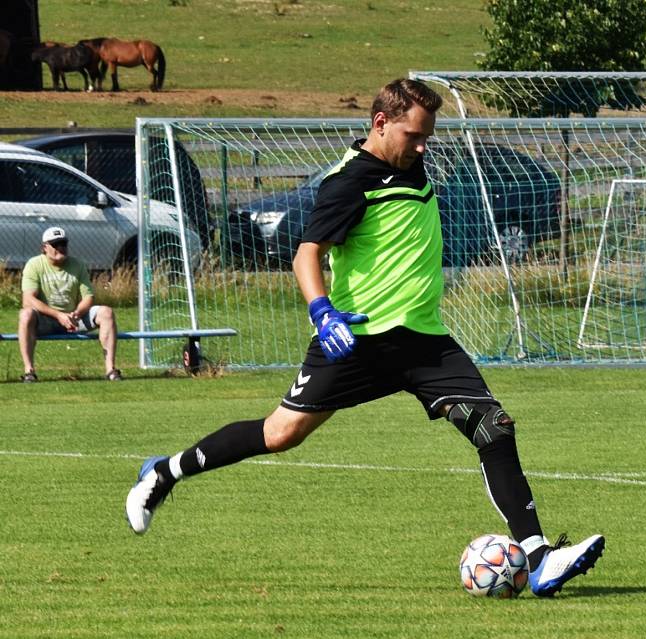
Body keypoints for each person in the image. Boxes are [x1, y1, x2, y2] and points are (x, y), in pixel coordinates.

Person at [125, 79, 604, 597]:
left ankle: (538, 559)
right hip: (361, 341)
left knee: (494, 427)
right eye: (414, 135)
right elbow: (306, 253)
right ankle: (165, 472)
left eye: (428, 137)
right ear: (380, 124)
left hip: (425, 340)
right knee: (281, 434)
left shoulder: (408, 162)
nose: (423, 147)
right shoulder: (348, 183)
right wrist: (321, 310)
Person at [19, 226, 121, 382]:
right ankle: (29, 372)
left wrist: (76, 314)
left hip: (73, 319)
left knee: (106, 312)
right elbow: (28, 300)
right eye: (56, 244)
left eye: (63, 244)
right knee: (25, 314)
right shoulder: (34, 265)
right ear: (44, 248)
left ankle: (111, 370)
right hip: (45, 320)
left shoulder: (77, 265)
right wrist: (58, 315)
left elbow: (88, 297)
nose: (61, 248)